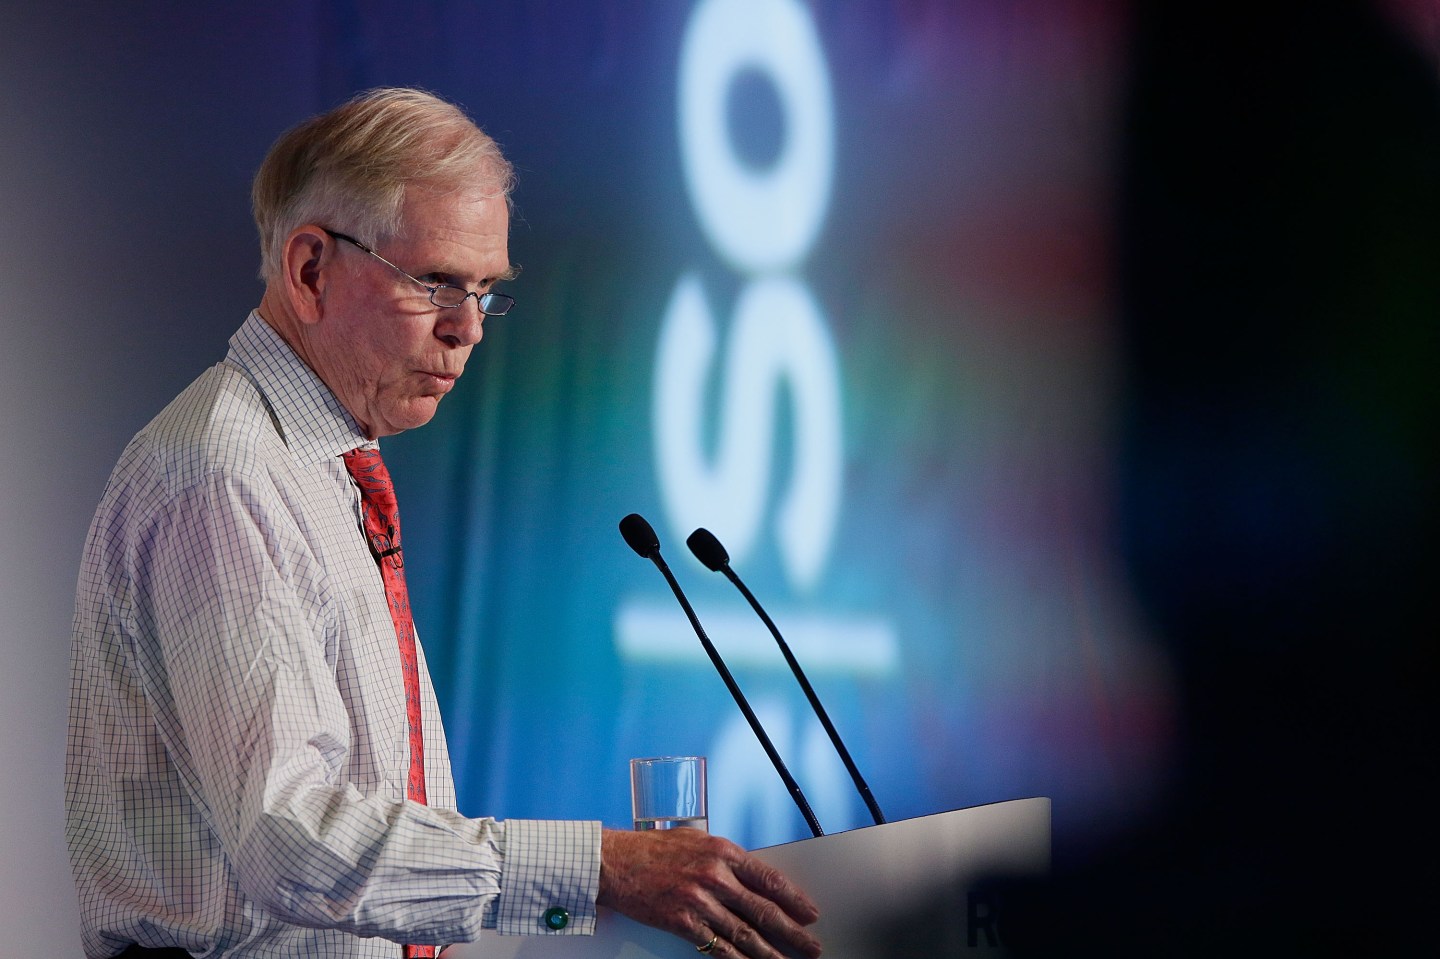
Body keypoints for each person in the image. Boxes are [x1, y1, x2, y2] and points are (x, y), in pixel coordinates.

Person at [65, 87, 823, 959]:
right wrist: (598, 867)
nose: (468, 331)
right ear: (311, 269)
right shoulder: (222, 474)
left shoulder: (320, 467)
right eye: (436, 284)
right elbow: (293, 839)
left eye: (487, 291)